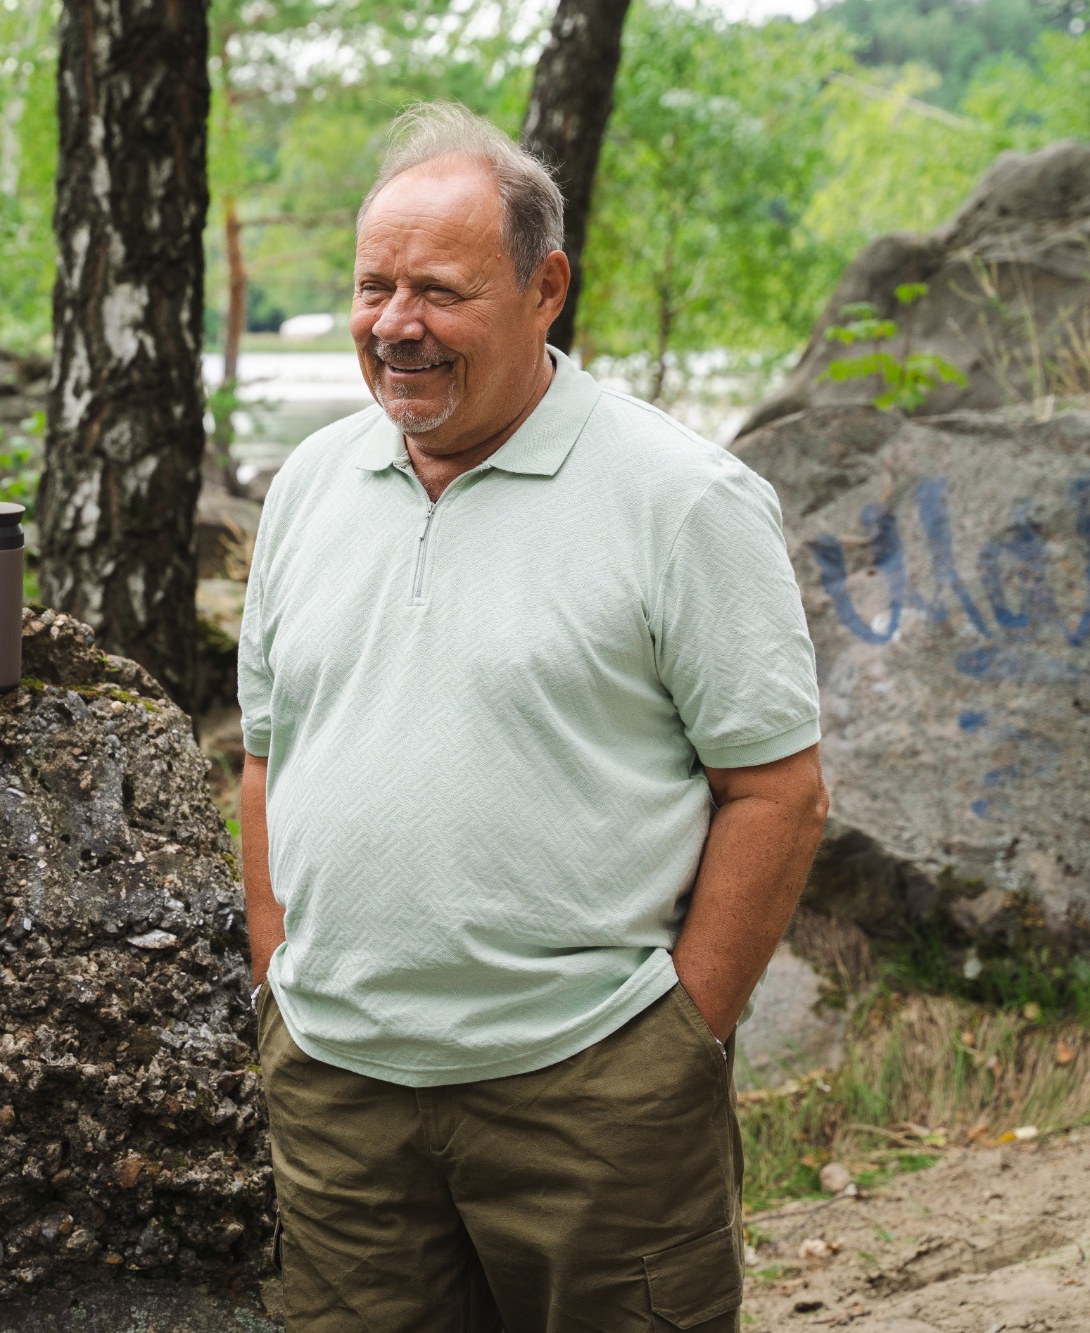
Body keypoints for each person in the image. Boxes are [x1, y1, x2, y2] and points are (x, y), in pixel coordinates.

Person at [237, 102, 830, 1332]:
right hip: (339, 1095)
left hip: (591, 1093)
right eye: (372, 287)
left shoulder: (680, 498)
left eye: (439, 291)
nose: (394, 324)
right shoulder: (306, 486)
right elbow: (266, 758)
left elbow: (776, 790)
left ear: (544, 286)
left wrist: (677, 1039)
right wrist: (276, 989)